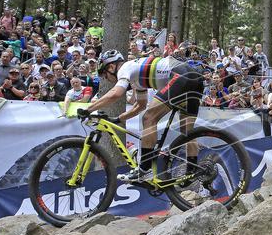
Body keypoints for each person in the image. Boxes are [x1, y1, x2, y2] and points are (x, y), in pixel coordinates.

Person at [80, 49, 205, 183]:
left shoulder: (125, 68)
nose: (107, 79)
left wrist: (88, 108)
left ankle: (144, 169)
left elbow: (116, 93)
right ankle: (192, 171)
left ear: (111, 67)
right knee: (187, 132)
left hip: (181, 76)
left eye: (105, 75)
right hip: (195, 79)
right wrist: (119, 119)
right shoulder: (137, 77)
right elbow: (140, 105)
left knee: (149, 118)